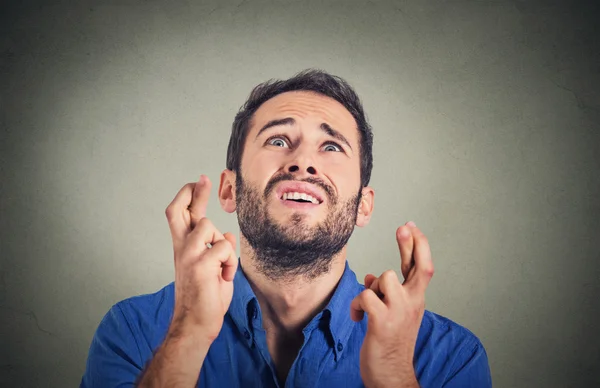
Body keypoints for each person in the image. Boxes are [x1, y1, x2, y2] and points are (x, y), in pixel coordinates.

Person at [80, 69, 492, 387]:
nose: (303, 162)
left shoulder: (448, 356)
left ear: (363, 207)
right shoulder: (134, 330)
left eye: (331, 147)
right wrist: (187, 334)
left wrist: (395, 375)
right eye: (278, 140)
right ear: (230, 190)